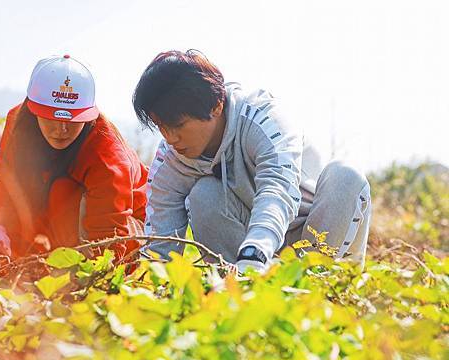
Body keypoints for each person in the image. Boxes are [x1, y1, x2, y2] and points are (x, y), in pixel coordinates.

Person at [133, 50, 371, 273]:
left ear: (216, 106)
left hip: (312, 233)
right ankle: (238, 291)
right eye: (161, 127)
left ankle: (318, 285)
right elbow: (159, 244)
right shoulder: (171, 159)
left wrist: (255, 252)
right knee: (203, 195)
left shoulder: (265, 120)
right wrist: (151, 285)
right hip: (246, 252)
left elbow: (277, 192)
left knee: (346, 175)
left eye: (178, 125)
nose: (170, 138)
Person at [0, 55, 148, 260]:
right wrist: (0, 229)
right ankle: (23, 265)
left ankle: (61, 272)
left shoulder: (107, 154)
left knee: (62, 190)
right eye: (51, 117)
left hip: (123, 232)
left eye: (73, 119)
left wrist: (92, 279)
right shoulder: (17, 125)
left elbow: (111, 240)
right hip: (55, 225)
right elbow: (10, 188)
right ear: (33, 110)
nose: (61, 129)